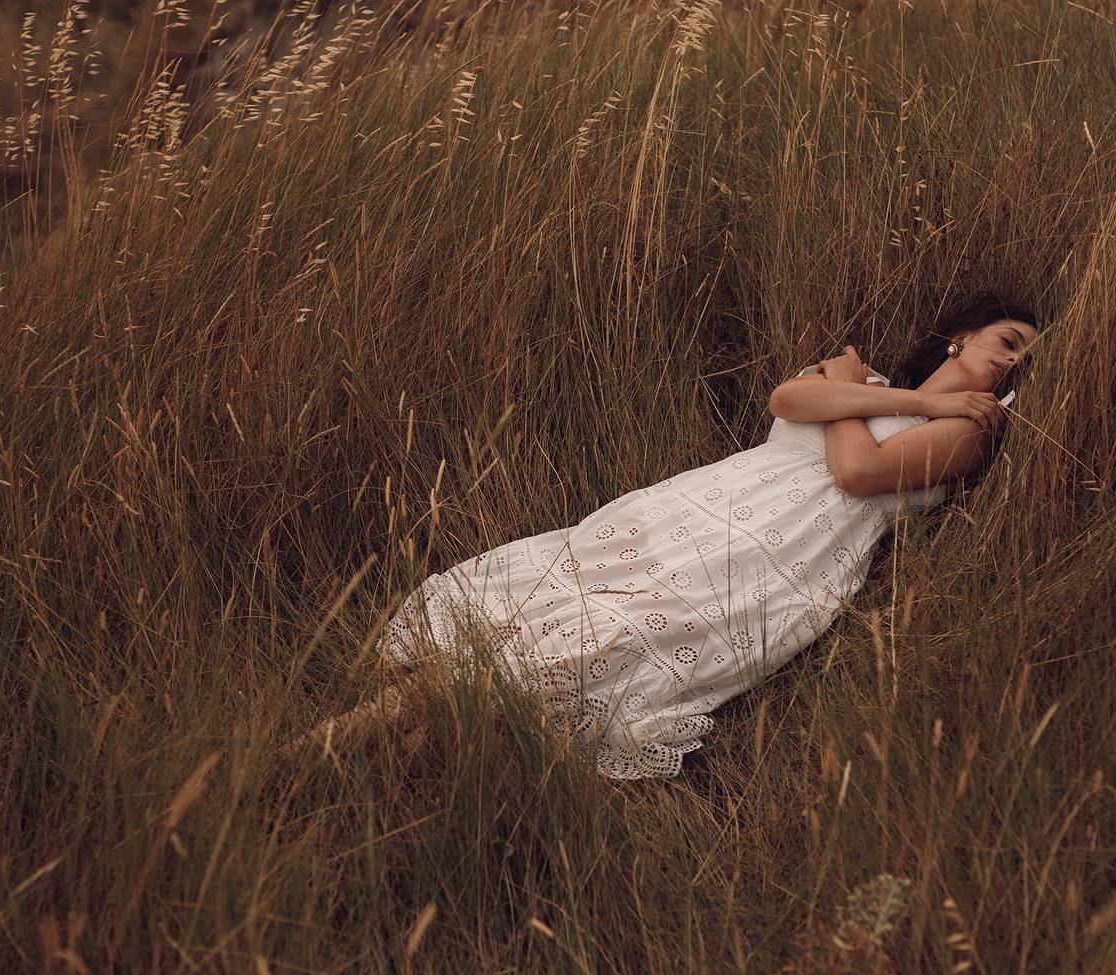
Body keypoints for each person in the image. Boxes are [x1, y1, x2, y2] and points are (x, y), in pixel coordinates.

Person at [282, 292, 1040, 777]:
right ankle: (344, 760)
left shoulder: (972, 429)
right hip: (688, 514)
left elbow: (856, 471)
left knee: (572, 655)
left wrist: (871, 394)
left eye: (1023, 361)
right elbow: (785, 399)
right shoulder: (879, 388)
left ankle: (307, 765)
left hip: (771, 557)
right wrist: (892, 395)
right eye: (1007, 340)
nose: (1010, 361)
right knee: (525, 621)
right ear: (960, 336)